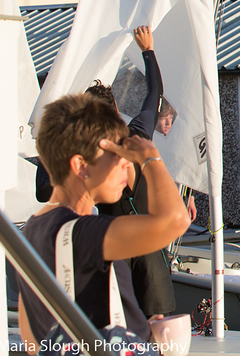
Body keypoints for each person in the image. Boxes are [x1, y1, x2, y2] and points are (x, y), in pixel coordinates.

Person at [17, 93, 190, 346]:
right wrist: (150, 157)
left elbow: (31, 339)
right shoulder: (86, 233)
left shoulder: (34, 228)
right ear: (81, 166)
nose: (126, 164)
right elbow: (176, 220)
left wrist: (138, 328)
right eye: (116, 154)